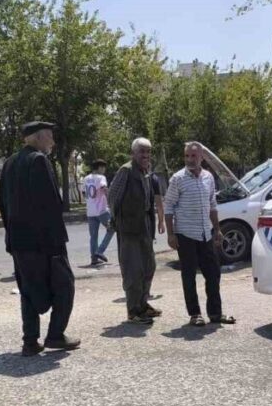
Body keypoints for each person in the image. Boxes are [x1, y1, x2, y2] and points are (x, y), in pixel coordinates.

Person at [0, 121, 80, 357]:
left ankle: (30, 341)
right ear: (39, 137)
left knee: (29, 290)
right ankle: (55, 335)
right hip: (44, 243)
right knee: (65, 286)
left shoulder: (9, 163)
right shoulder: (39, 161)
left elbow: (4, 206)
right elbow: (51, 206)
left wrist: (10, 238)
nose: (53, 142)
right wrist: (57, 245)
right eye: (50, 137)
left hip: (18, 242)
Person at [164, 142, 236, 327]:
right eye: (187, 156)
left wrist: (217, 229)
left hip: (206, 234)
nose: (189, 159)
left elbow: (212, 204)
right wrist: (171, 234)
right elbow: (169, 206)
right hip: (185, 234)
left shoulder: (208, 178)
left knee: (213, 273)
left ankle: (215, 313)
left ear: (201, 157)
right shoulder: (177, 179)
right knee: (188, 275)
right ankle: (195, 314)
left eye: (193, 156)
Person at [109, 138, 162, 325]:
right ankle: (133, 311)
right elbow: (112, 197)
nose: (146, 155)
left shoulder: (146, 171)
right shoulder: (126, 170)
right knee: (133, 270)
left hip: (145, 228)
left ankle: (142, 304)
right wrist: (117, 220)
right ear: (133, 153)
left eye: (148, 152)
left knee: (149, 266)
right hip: (129, 229)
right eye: (142, 152)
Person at [82, 159, 115, 266]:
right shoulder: (101, 178)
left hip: (90, 211)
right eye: (104, 167)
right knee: (112, 229)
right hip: (101, 210)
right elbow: (104, 189)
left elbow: (83, 193)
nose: (104, 170)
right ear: (100, 167)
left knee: (93, 236)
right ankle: (100, 251)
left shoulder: (86, 178)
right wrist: (111, 201)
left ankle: (94, 258)